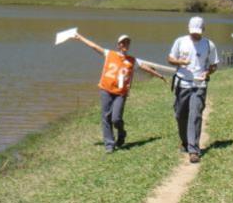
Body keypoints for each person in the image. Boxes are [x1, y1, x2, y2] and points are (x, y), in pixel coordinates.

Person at [72, 33, 166, 153]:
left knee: (116, 118)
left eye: (127, 42)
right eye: (122, 42)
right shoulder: (109, 54)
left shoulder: (132, 60)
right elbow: (94, 46)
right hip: (106, 89)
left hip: (121, 93)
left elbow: (145, 67)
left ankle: (121, 133)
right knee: (106, 116)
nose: (125, 44)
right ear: (118, 45)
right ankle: (109, 144)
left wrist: (160, 75)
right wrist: (80, 38)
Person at [167, 17, 219, 163]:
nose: (195, 34)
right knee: (180, 115)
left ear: (203, 30)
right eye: (193, 32)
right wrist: (179, 62)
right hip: (182, 84)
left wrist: (208, 73)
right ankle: (185, 142)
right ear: (188, 28)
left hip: (199, 85)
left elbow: (214, 64)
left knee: (195, 115)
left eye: (198, 32)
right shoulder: (180, 41)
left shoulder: (209, 45)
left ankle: (193, 150)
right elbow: (170, 58)